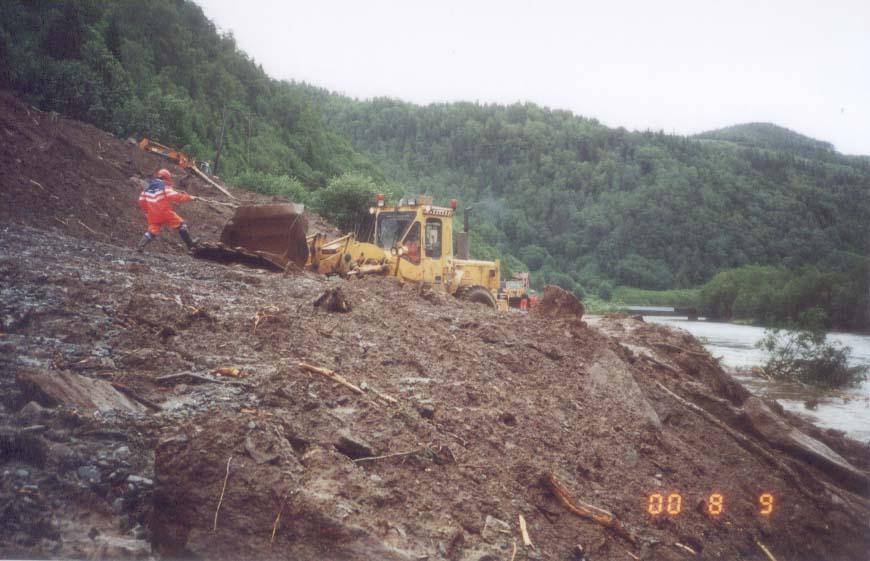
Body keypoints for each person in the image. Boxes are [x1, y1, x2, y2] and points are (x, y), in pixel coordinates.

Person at [136, 169, 198, 253]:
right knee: (181, 224)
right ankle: (191, 245)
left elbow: (141, 201)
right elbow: (175, 196)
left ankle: (140, 246)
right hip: (165, 212)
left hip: (152, 214)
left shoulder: (148, 187)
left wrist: (147, 211)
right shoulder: (164, 186)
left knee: (152, 230)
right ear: (166, 178)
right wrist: (189, 197)